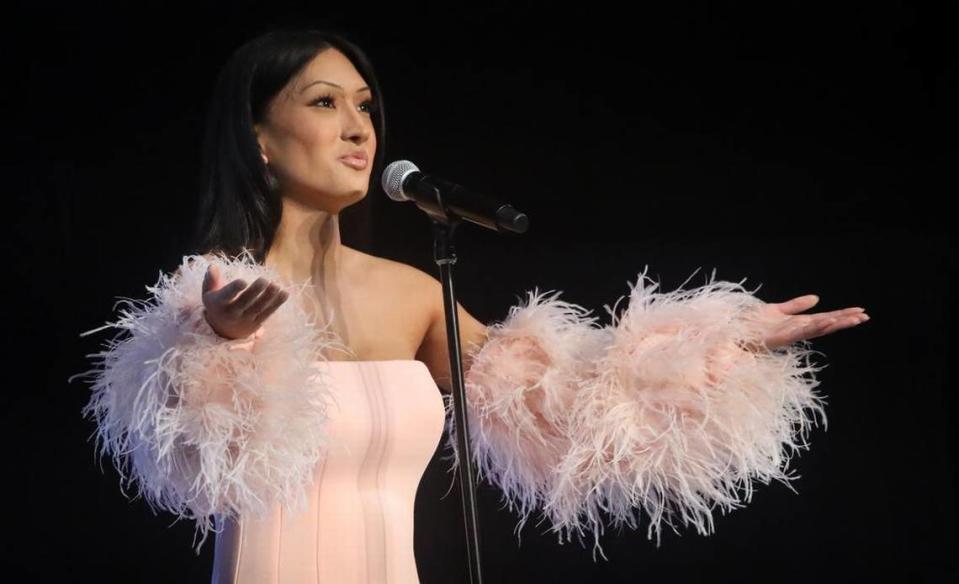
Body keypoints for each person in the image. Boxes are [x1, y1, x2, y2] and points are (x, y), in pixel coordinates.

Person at [69, 27, 870, 583]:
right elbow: (185, 463)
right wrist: (219, 351)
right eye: (323, 104)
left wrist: (714, 347)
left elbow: (572, 410)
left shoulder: (414, 293)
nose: (358, 130)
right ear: (259, 140)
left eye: (364, 107)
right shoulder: (205, 296)